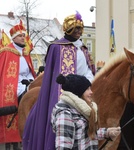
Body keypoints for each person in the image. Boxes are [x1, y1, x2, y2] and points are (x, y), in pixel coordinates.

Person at [23, 11, 95, 150]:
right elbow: (54, 74)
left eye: (80, 29)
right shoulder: (56, 47)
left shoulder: (83, 49)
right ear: (68, 29)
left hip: (84, 88)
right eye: (76, 29)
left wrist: (89, 83)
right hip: (63, 90)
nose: (79, 32)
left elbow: (88, 69)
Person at [51, 74, 121, 149]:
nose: (91, 92)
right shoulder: (65, 114)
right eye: (87, 89)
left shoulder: (81, 109)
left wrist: (107, 133)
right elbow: (63, 147)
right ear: (78, 92)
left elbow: (86, 134)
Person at [0, 23, 36, 150]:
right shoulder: (6, 52)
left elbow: (30, 72)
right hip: (13, 86)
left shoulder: (25, 53)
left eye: (24, 35)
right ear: (13, 37)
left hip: (26, 83)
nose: (23, 38)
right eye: (20, 36)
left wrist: (32, 80)